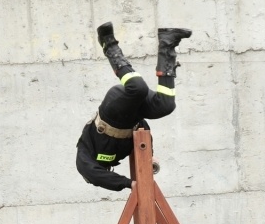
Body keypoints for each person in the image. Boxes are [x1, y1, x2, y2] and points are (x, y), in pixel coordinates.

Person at [76, 22, 191, 191]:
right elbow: (142, 129)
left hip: (112, 110)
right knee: (166, 104)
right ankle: (167, 42)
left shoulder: (85, 156)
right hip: (133, 117)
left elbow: (95, 175)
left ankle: (108, 44)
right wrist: (149, 157)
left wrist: (129, 184)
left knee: (138, 88)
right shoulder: (118, 155)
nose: (106, 171)